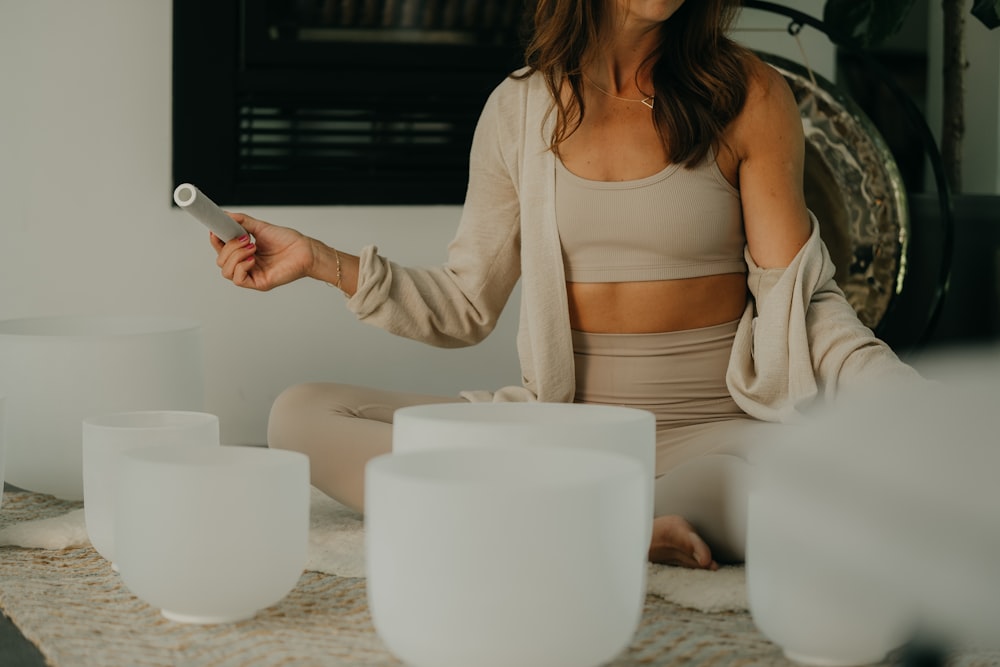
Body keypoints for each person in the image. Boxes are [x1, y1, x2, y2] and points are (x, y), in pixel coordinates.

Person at [211, 0, 919, 570]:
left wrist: (913, 400)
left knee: (795, 501)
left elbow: (806, 302)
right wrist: (321, 260)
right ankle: (611, 517)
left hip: (718, 435)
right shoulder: (519, 111)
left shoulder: (747, 94)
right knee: (299, 415)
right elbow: (465, 305)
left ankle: (579, 515)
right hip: (563, 432)